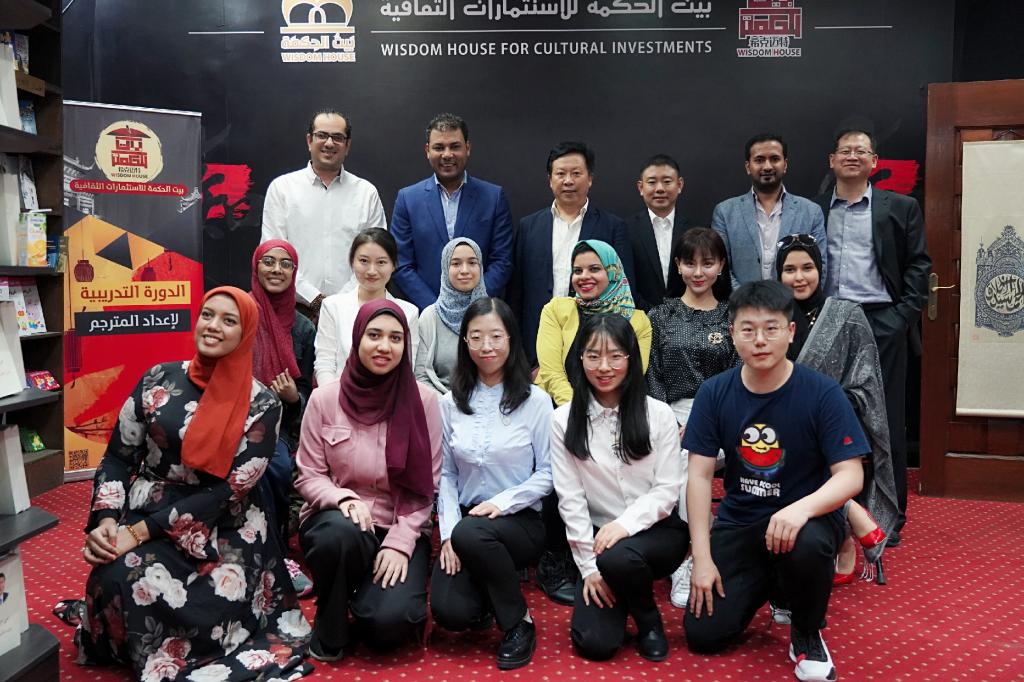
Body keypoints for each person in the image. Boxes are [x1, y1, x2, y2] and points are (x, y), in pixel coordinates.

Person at [77, 287, 312, 681]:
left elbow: (228, 490)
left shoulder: (262, 405)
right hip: (150, 506)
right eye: (208, 315)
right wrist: (106, 520)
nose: (214, 326)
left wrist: (137, 532)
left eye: (229, 320)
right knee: (112, 575)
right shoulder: (157, 378)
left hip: (224, 524)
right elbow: (119, 456)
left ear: (246, 333)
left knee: (177, 591)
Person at [683, 280, 867, 682]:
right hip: (741, 521)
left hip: (805, 522)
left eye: (771, 328)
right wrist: (702, 557)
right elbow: (698, 476)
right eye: (748, 329)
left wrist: (800, 509)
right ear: (732, 334)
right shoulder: (714, 393)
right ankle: (775, 585)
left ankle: (806, 630)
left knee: (808, 544)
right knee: (704, 634)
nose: (760, 340)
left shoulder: (822, 393)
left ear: (791, 331)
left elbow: (851, 474)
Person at [295, 300, 441, 661]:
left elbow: (428, 486)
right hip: (338, 523)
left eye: (395, 338)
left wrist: (400, 542)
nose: (384, 346)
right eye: (374, 335)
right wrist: (341, 498)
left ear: (406, 346)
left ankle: (363, 592)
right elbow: (308, 475)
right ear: (358, 338)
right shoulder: (324, 399)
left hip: (399, 524)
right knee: (339, 534)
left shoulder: (425, 402)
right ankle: (331, 621)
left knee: (388, 624)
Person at [816, 128, 931, 545]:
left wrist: (900, 318)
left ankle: (889, 516)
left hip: (882, 320)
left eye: (860, 151)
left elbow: (919, 266)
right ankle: (828, 509)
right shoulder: (814, 210)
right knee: (824, 416)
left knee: (885, 420)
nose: (852, 156)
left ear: (874, 162)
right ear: (832, 160)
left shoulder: (900, 207)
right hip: (827, 321)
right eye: (844, 150)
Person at [551, 313, 688, 662]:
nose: (604, 367)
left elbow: (667, 490)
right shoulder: (563, 420)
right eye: (593, 355)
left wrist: (623, 526)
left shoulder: (658, 414)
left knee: (619, 556)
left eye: (615, 356)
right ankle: (622, 589)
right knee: (594, 643)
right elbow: (570, 499)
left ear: (631, 358)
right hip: (599, 543)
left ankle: (649, 621)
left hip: (659, 533)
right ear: (580, 358)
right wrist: (588, 569)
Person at [430, 297, 553, 670]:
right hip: (466, 523)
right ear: (465, 342)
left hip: (520, 521)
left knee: (474, 534)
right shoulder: (450, 402)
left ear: (511, 338)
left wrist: (503, 503)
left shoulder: (536, 401)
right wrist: (449, 535)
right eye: (476, 336)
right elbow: (447, 475)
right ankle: (488, 584)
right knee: (451, 613)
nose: (487, 346)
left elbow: (549, 473)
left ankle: (519, 622)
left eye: (496, 336)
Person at [775, 235, 897, 585]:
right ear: (778, 274)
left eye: (808, 268)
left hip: (835, 418)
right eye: (789, 269)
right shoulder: (772, 314)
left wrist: (824, 403)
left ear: (821, 270)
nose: (799, 277)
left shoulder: (847, 315)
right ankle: (850, 517)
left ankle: (843, 538)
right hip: (780, 418)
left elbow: (867, 381)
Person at [646, 227, 738, 608]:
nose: (698, 272)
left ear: (721, 266)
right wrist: (668, 425)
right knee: (684, 458)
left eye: (708, 263)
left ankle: (691, 556)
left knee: (691, 459)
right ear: (678, 266)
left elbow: (737, 379)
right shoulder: (660, 315)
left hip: (723, 419)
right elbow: (652, 377)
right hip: (669, 416)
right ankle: (693, 553)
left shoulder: (733, 316)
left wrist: (704, 423)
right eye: (690, 263)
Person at [509, 141, 636, 365]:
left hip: (594, 345)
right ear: (550, 180)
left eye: (576, 173)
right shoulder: (529, 226)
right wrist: (523, 358)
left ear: (590, 179)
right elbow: (516, 294)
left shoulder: (612, 227)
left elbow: (624, 288)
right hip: (536, 346)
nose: (568, 180)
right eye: (560, 174)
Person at [262, 109, 386, 321]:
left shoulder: (366, 193)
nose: (329, 143)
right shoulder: (282, 189)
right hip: (294, 311)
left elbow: (377, 256)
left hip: (353, 311)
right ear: (309, 140)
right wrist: (315, 299)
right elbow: (273, 255)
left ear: (347, 145)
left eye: (337, 137)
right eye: (322, 135)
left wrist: (339, 303)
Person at [391, 113, 514, 309]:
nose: (447, 154)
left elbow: (502, 261)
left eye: (455, 146)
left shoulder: (494, 197)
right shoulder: (408, 199)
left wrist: (474, 306)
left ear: (468, 148)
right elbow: (402, 264)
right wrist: (435, 310)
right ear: (427, 150)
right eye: (439, 147)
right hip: (427, 314)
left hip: (480, 314)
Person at [249, 239, 315, 594]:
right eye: (269, 262)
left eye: (285, 264)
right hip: (234, 418)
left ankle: (276, 554)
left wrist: (293, 396)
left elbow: (308, 393)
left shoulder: (303, 328)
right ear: (256, 267)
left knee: (273, 463)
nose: (276, 269)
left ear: (294, 272)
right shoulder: (240, 311)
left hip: (281, 425)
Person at [536, 239, 652, 407]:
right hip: (558, 409)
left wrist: (600, 413)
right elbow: (552, 373)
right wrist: (577, 411)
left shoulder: (638, 321)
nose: (584, 276)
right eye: (577, 271)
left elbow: (632, 375)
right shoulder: (556, 310)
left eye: (594, 269)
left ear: (613, 272)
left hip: (614, 411)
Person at [712, 133, 826, 288]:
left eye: (774, 159)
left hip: (794, 302)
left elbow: (820, 267)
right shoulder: (725, 212)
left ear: (785, 165)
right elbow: (720, 266)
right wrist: (746, 300)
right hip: (740, 302)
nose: (767, 166)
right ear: (748, 167)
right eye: (759, 160)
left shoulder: (811, 212)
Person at [313, 228, 419, 386]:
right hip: (339, 394)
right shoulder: (332, 306)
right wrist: (332, 398)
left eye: (381, 262)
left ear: (394, 265)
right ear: (352, 262)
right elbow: (325, 364)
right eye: (364, 261)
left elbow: (407, 367)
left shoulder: (408, 312)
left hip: (389, 397)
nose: (371, 271)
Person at [415, 237, 488, 394]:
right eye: (456, 264)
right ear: (445, 268)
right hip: (440, 403)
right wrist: (447, 404)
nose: (465, 270)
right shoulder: (430, 317)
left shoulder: (493, 315)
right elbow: (421, 376)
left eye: (472, 262)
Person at [626, 154, 692, 312]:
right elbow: (625, 282)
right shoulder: (626, 229)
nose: (660, 189)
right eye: (652, 182)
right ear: (641, 188)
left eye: (667, 181)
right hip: (641, 316)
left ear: (679, 185)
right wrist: (652, 314)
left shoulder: (695, 229)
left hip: (689, 316)